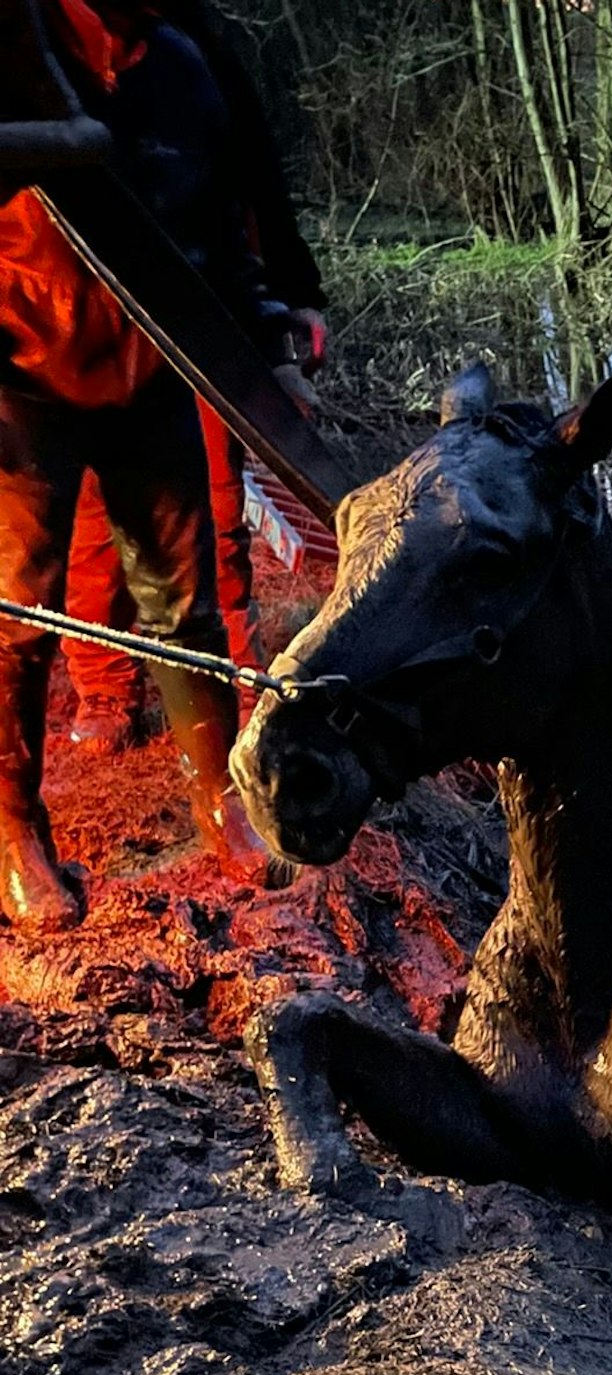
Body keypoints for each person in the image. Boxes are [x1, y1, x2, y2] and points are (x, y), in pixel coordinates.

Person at [0, 0, 296, 927]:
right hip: (23, 376)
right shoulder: (20, 48)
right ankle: (14, 836)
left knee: (185, 601)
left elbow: (224, 235)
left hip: (153, 369)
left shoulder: (182, 69)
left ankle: (221, 803)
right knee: (18, 613)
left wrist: (270, 342)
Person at [61, 0, 328, 753]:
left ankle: (242, 684)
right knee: (92, 514)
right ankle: (104, 687)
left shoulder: (192, 52)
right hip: (76, 321)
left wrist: (289, 308)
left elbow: (247, 181)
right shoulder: (42, 47)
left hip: (197, 316)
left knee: (215, 510)